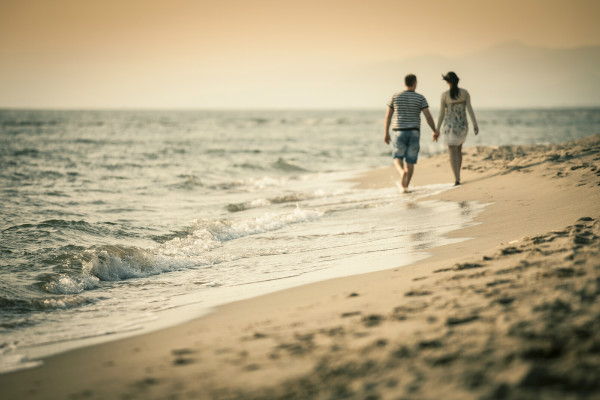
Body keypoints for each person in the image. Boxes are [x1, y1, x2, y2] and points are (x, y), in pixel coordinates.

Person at [384, 74, 437, 192]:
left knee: (397, 157)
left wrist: (386, 133)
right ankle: (405, 186)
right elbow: (428, 116)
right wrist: (434, 130)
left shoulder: (395, 96)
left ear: (405, 83)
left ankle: (402, 172)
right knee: (410, 161)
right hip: (414, 132)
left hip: (399, 131)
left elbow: (388, 117)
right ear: (415, 83)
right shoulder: (420, 98)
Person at [434, 71, 479, 185]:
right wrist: (475, 124)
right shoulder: (465, 93)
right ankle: (458, 176)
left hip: (450, 128)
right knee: (458, 150)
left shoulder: (444, 95)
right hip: (462, 126)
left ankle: (456, 178)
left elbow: (441, 114)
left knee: (452, 151)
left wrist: (437, 129)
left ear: (447, 82)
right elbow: (469, 109)